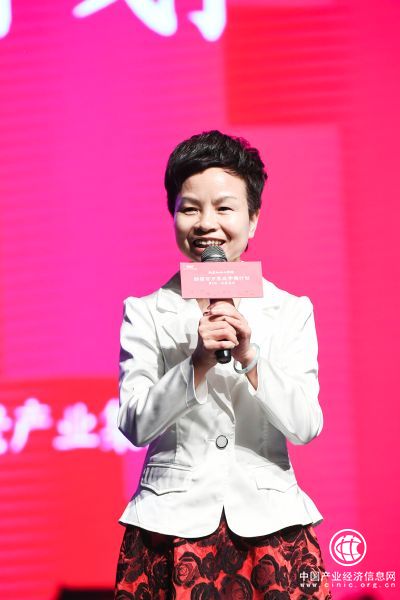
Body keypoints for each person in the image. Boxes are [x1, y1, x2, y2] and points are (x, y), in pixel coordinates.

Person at [114, 130, 332, 599]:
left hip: (272, 526)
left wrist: (251, 358)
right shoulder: (145, 311)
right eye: (190, 208)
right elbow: (134, 424)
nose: (205, 223)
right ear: (173, 216)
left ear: (253, 221)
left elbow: (305, 426)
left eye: (224, 208)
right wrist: (195, 364)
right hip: (169, 528)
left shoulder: (290, 310)